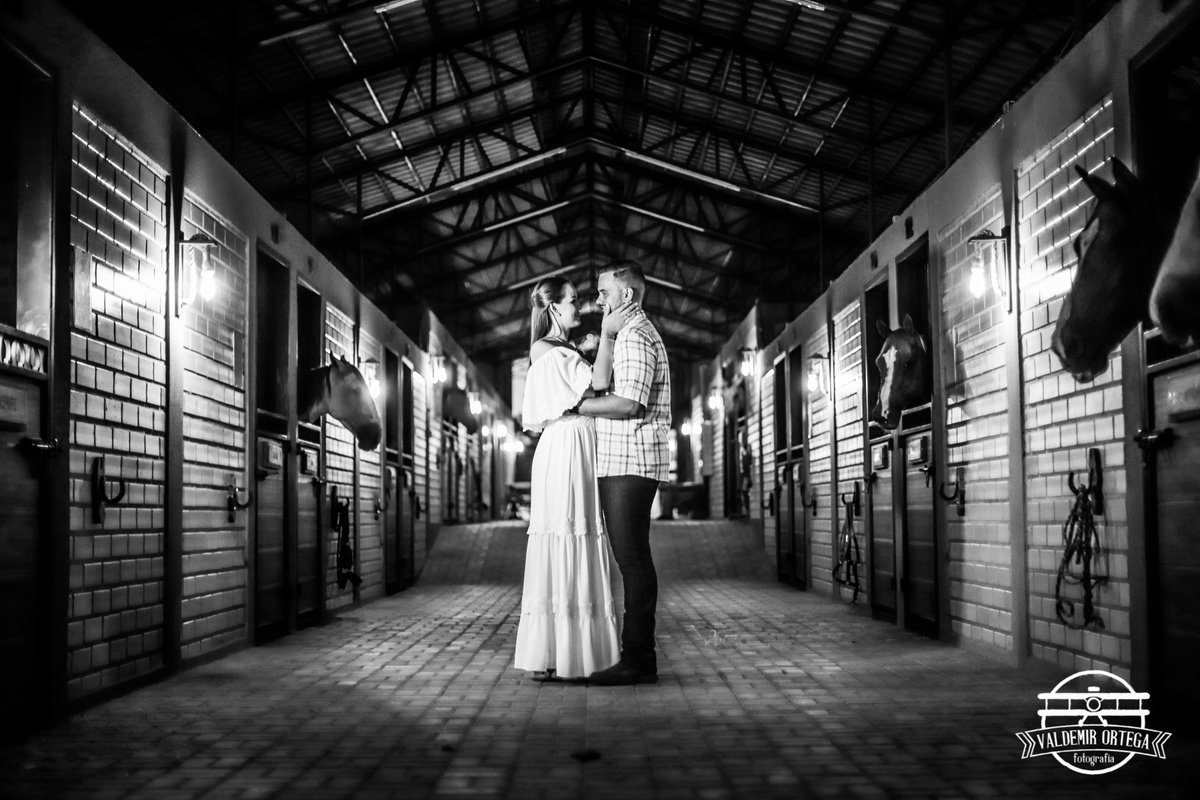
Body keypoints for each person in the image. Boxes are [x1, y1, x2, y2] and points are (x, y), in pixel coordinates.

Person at [513, 276, 635, 682]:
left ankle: (573, 653)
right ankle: (560, 652)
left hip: (576, 444)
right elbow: (597, 383)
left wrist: (586, 346)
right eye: (572, 301)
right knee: (568, 534)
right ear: (553, 308)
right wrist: (606, 336)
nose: (578, 307)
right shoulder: (545, 348)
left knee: (579, 535)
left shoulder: (561, 348)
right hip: (565, 447)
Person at [576, 261, 671, 686]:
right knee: (633, 558)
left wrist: (573, 407)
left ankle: (638, 658)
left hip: (630, 461)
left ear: (626, 294)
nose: (598, 300)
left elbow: (629, 403)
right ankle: (637, 655)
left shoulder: (635, 334)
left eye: (604, 292)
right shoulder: (628, 332)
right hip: (625, 460)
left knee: (632, 559)